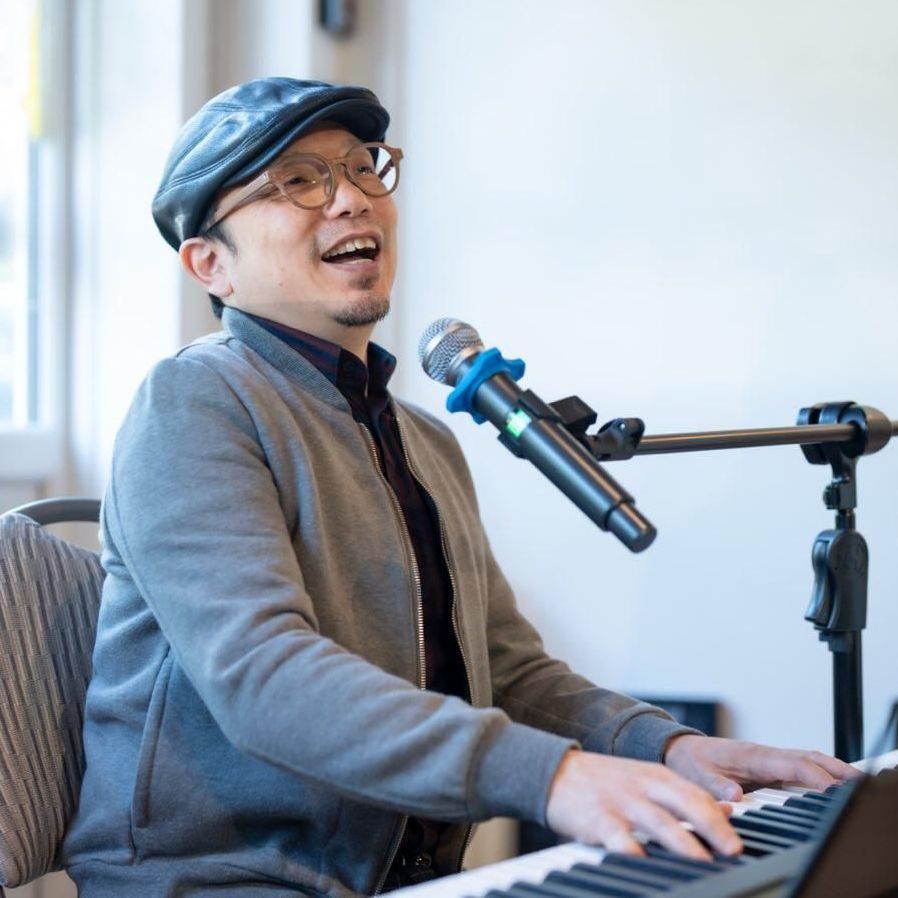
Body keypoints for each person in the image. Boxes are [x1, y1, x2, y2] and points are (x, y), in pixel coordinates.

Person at [62, 78, 856, 898]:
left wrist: (664, 747)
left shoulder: (425, 437)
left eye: (363, 167)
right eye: (298, 181)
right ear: (210, 264)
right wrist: (553, 779)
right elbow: (263, 677)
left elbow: (507, 670)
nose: (351, 200)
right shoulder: (193, 403)